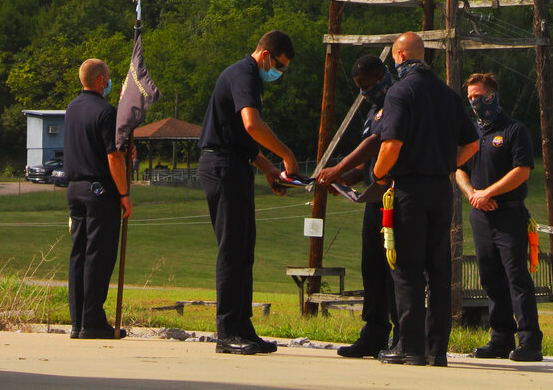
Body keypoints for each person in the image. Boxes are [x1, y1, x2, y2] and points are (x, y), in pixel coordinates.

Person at [371, 32, 479, 367]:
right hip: (441, 188)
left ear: (401, 55)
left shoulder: (400, 92)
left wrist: (377, 174)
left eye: (394, 58)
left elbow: (391, 144)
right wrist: (445, 162)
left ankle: (410, 346)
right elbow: (473, 144)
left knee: (407, 268)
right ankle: (437, 350)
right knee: (438, 269)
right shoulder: (447, 94)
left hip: (410, 189)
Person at [197, 30, 298, 355]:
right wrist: (287, 156)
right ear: (266, 55)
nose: (278, 73)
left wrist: (269, 169)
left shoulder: (246, 76)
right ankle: (227, 330)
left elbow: (243, 138)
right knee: (232, 250)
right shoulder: (245, 74)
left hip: (235, 162)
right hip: (222, 167)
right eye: (279, 66)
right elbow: (252, 124)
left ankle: (243, 325)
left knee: (244, 249)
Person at [456, 71, 543, 363]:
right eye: (470, 98)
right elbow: (459, 169)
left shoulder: (514, 130)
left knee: (516, 277)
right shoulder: (471, 132)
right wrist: (473, 194)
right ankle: (500, 337)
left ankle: (529, 341)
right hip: (480, 216)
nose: (475, 103)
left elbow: (522, 171)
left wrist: (489, 193)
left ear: (492, 96)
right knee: (490, 278)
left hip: (509, 215)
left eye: (479, 97)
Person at [316, 52, 398, 359]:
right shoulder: (374, 109)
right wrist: (344, 181)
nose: (362, 92)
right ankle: (374, 332)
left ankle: (401, 331)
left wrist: (336, 169)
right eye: (359, 87)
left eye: (365, 84)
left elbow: (374, 144)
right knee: (372, 267)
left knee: (394, 267)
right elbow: (366, 163)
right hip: (372, 199)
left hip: (394, 198)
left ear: (380, 77)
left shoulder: (396, 101)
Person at [63, 57, 133, 341]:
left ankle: (78, 319)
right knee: (99, 256)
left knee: (78, 253)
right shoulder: (106, 112)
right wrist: (124, 194)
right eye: (108, 77)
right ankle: (93, 319)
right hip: (99, 190)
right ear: (101, 80)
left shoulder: (72, 108)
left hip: (74, 188)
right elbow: (113, 156)